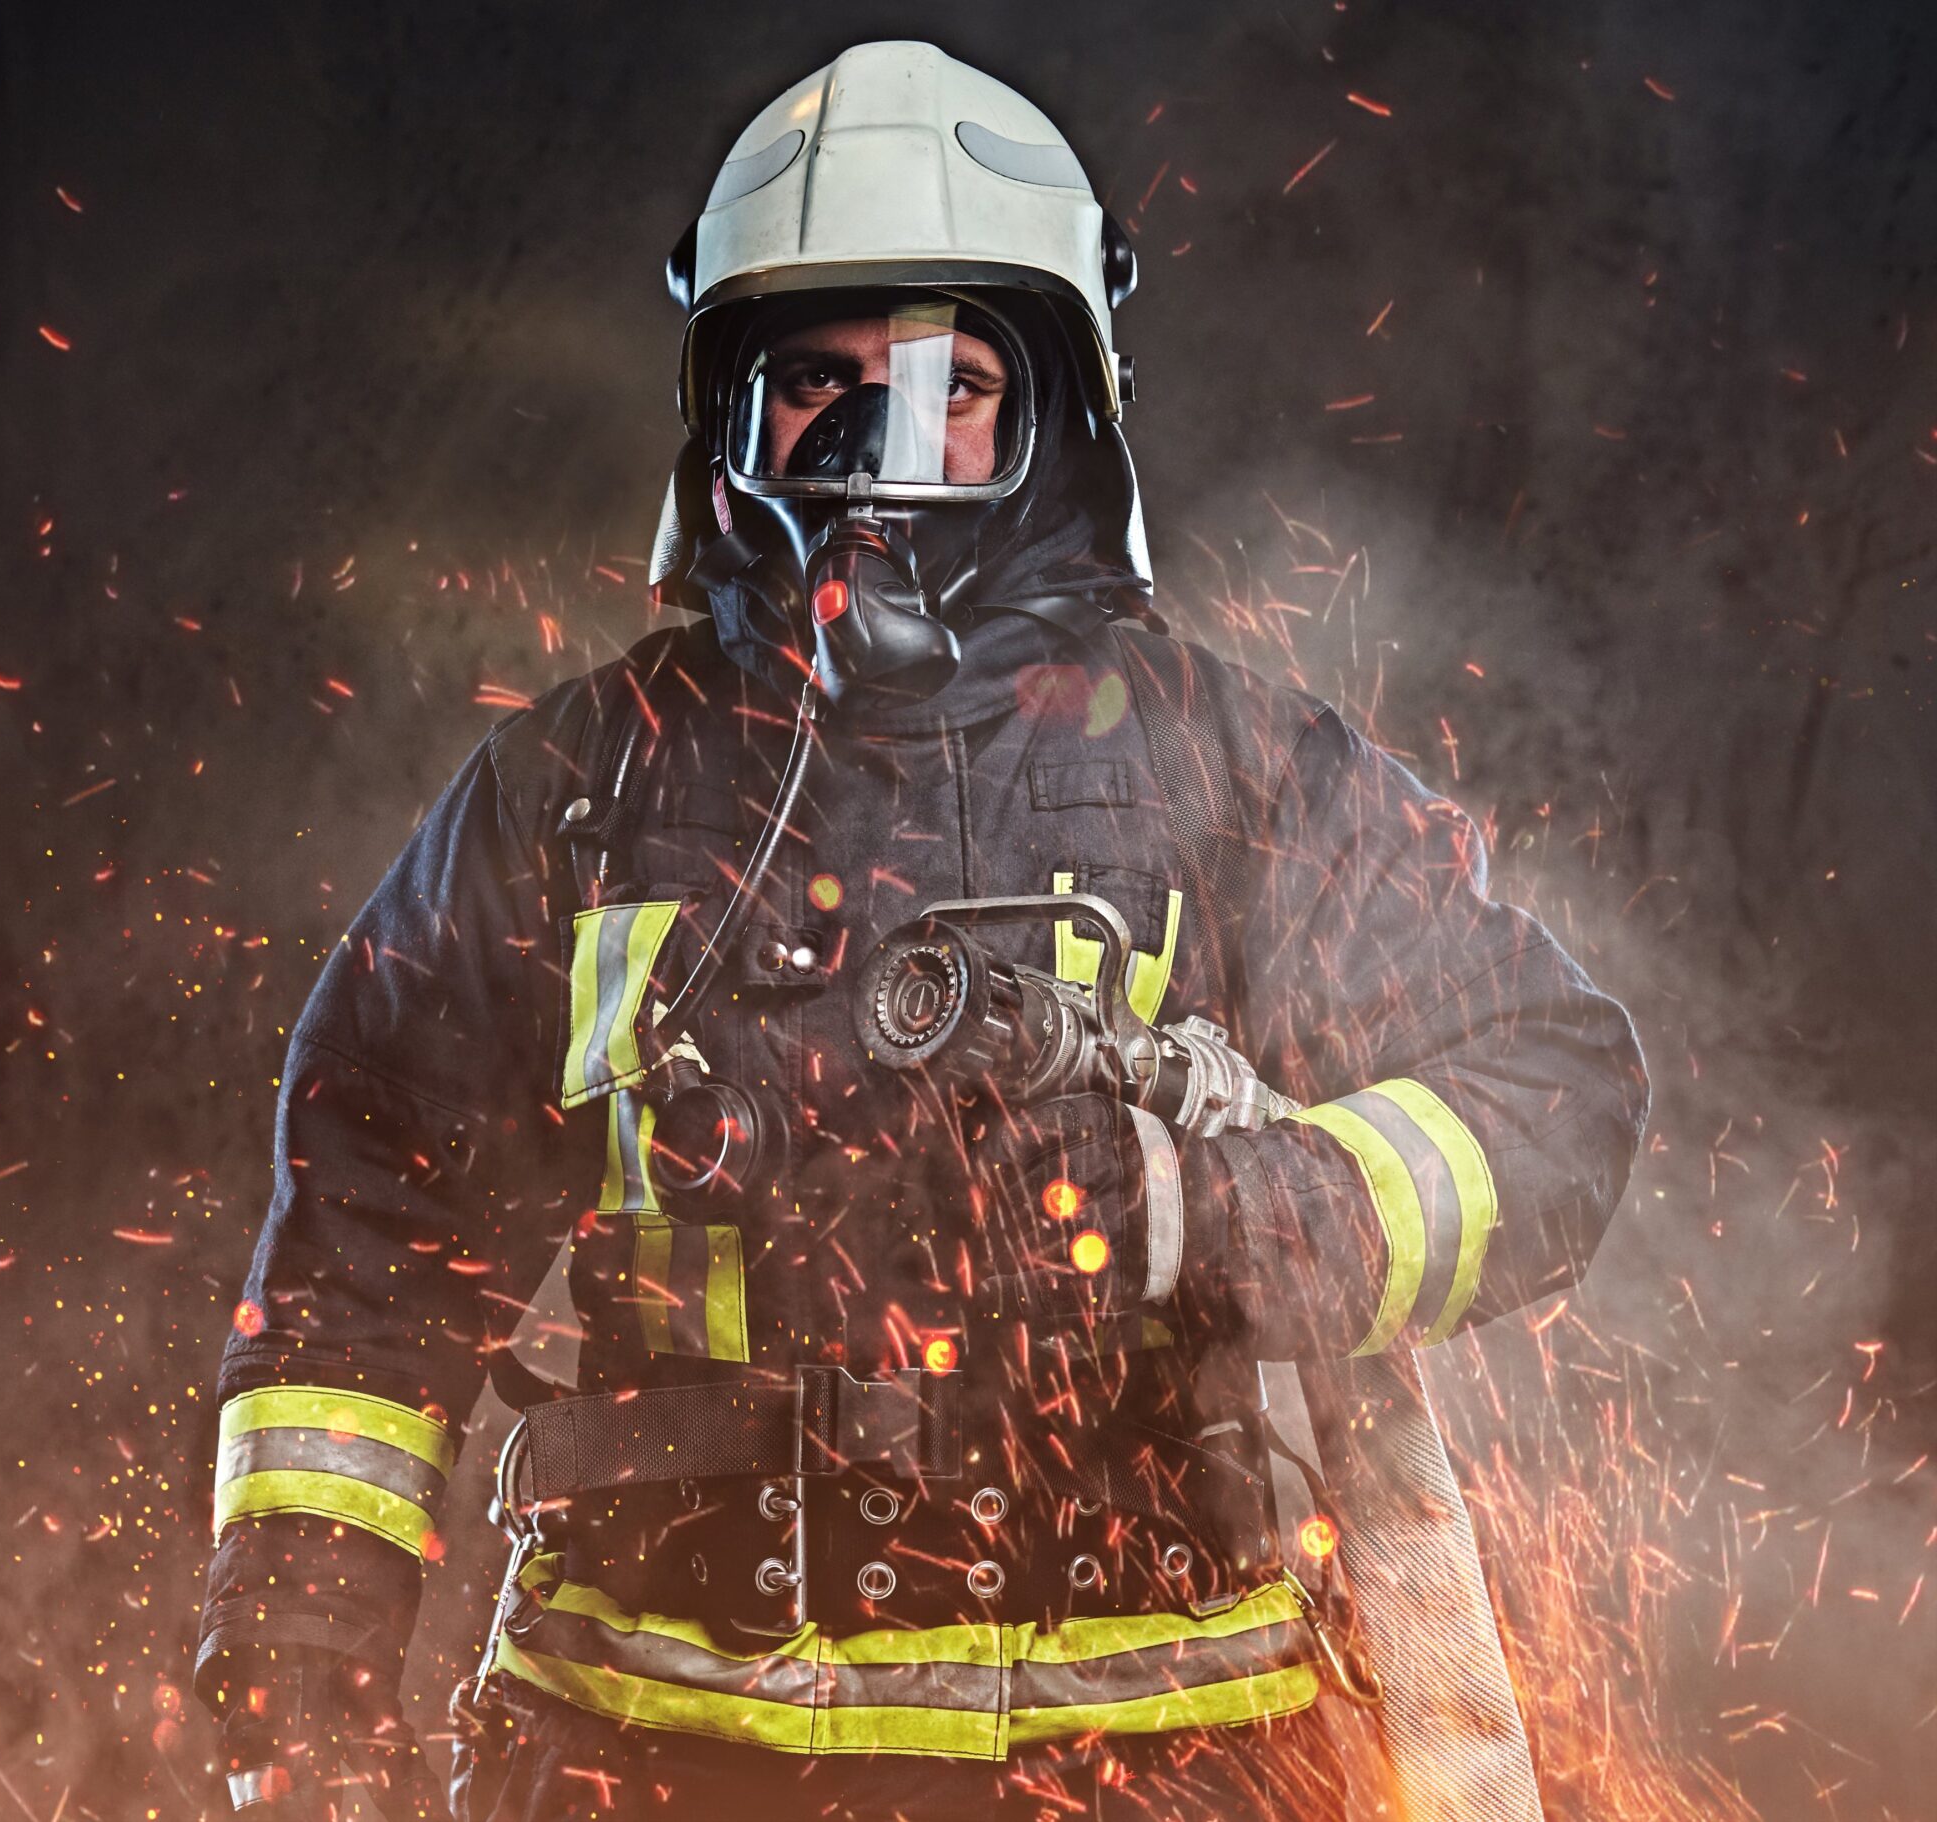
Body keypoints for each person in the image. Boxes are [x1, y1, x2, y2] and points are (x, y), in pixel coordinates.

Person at [195, 41, 1647, 1822]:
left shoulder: (1230, 770)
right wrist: (300, 1690)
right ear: (725, 412)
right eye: (812, 379)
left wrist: (1219, 1215)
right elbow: (366, 1246)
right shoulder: (573, 793)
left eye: (949, 386)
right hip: (655, 1766)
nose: (876, 448)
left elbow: (1556, 1091)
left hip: (1161, 1769)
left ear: (1064, 413)